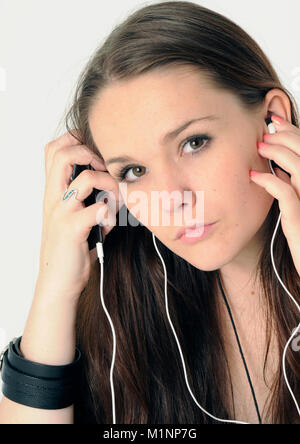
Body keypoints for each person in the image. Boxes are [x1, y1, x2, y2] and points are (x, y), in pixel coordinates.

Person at [0, 1, 299, 424]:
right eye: (135, 171)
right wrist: (55, 288)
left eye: (194, 142)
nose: (170, 196)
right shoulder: (119, 310)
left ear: (272, 119)